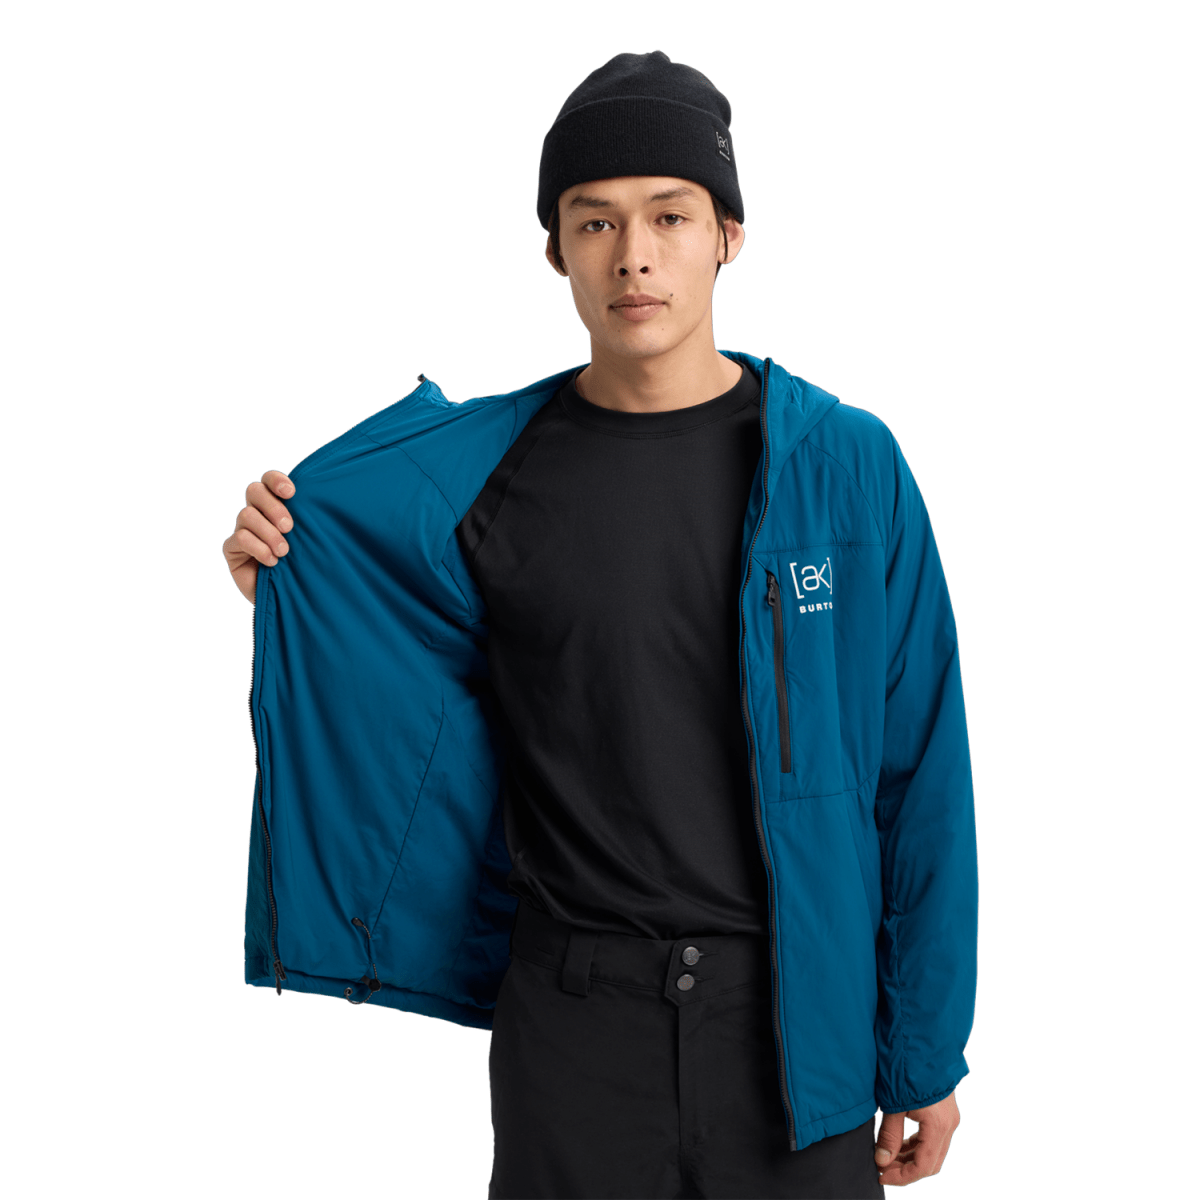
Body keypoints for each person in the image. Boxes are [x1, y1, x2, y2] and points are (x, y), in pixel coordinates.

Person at [223, 51, 977, 1199]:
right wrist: (291, 590)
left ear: (728, 235)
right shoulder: (480, 482)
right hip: (573, 1031)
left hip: (797, 1031)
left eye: (669, 216)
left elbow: (918, 774)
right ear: (556, 250)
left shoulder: (844, 467)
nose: (634, 255)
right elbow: (411, 696)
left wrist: (922, 1051)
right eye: (595, 221)